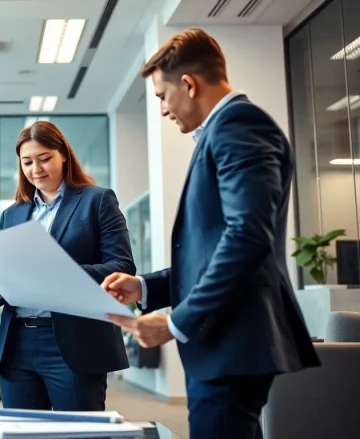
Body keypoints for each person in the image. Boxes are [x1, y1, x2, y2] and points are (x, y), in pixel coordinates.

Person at [101, 29, 320, 439]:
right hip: (226, 342)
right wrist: (145, 287)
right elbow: (211, 250)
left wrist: (175, 322)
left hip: (235, 340)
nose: (164, 110)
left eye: (163, 96)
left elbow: (247, 238)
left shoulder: (239, 127)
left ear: (188, 84)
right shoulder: (226, 131)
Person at [0, 120, 136, 411]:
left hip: (74, 340)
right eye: (27, 162)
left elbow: (123, 266)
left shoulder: (97, 200)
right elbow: (6, 280)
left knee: (77, 430)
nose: (35, 169)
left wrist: (58, 273)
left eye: (44, 159)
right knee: (20, 433)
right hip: (18, 342)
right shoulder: (12, 214)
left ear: (63, 154)